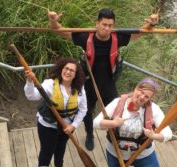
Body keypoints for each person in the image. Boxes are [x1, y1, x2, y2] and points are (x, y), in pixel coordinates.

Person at [48, 8, 159, 151]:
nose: (107, 28)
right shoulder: (84, 38)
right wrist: (53, 21)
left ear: (113, 26)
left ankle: (114, 135)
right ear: (97, 24)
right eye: (104, 25)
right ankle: (89, 134)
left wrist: (151, 24)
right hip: (88, 82)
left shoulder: (118, 37)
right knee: (87, 111)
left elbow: (140, 33)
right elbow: (60, 31)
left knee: (117, 110)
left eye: (110, 26)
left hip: (108, 83)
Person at [93, 78, 173, 167]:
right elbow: (96, 123)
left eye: (147, 96)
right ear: (135, 88)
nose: (142, 97)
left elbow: (168, 134)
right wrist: (113, 122)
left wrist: (154, 135)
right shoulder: (118, 103)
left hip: (143, 155)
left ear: (150, 99)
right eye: (141, 92)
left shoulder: (153, 110)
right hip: (116, 152)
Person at [24, 57, 87, 167]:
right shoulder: (50, 84)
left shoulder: (80, 89)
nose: (68, 72)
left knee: (61, 147)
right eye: (66, 68)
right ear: (61, 69)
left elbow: (83, 109)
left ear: (76, 74)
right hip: (48, 125)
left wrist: (74, 125)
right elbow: (31, 96)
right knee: (46, 152)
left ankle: (59, 166)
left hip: (67, 127)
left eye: (72, 70)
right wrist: (29, 81)